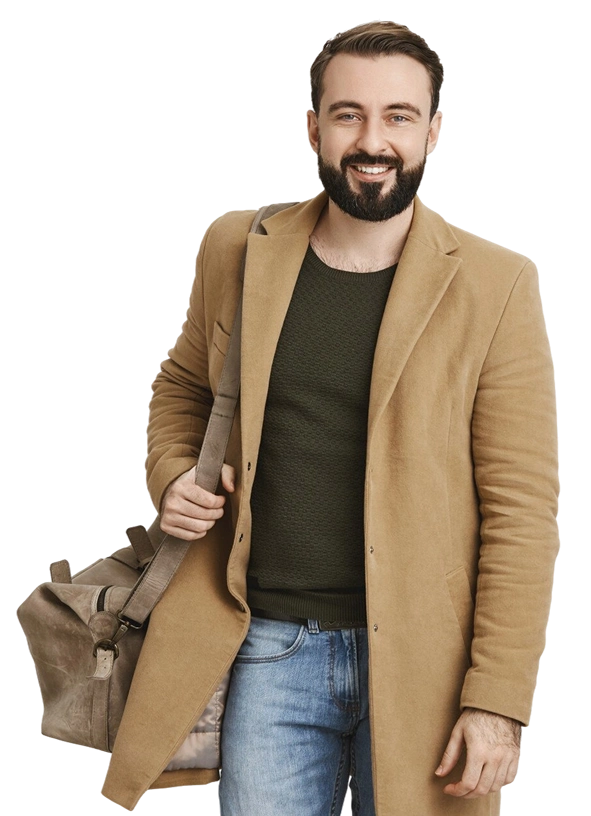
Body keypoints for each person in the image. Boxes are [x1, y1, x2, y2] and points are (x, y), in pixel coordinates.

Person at [103, 20, 560, 816]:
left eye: (397, 116)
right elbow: (179, 387)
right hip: (265, 648)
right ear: (313, 127)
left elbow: (522, 511)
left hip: (425, 663)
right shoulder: (237, 247)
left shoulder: (497, 285)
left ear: (433, 130)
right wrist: (173, 474)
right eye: (348, 114)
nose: (371, 141)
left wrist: (496, 697)